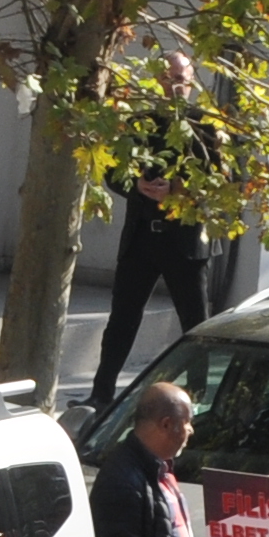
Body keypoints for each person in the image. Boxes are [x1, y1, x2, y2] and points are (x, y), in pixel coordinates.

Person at [87, 53, 217, 408]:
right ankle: (102, 393)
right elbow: (114, 171)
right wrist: (138, 187)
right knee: (122, 318)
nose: (176, 86)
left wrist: (177, 188)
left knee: (194, 322)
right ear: (157, 81)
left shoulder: (205, 126)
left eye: (183, 80)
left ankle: (198, 395)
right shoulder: (140, 123)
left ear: (191, 82)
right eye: (170, 79)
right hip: (142, 237)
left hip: (185, 240)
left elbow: (225, 182)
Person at [89, 384, 197, 537]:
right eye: (187, 422)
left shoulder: (159, 469)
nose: (191, 430)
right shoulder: (122, 480)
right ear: (166, 424)